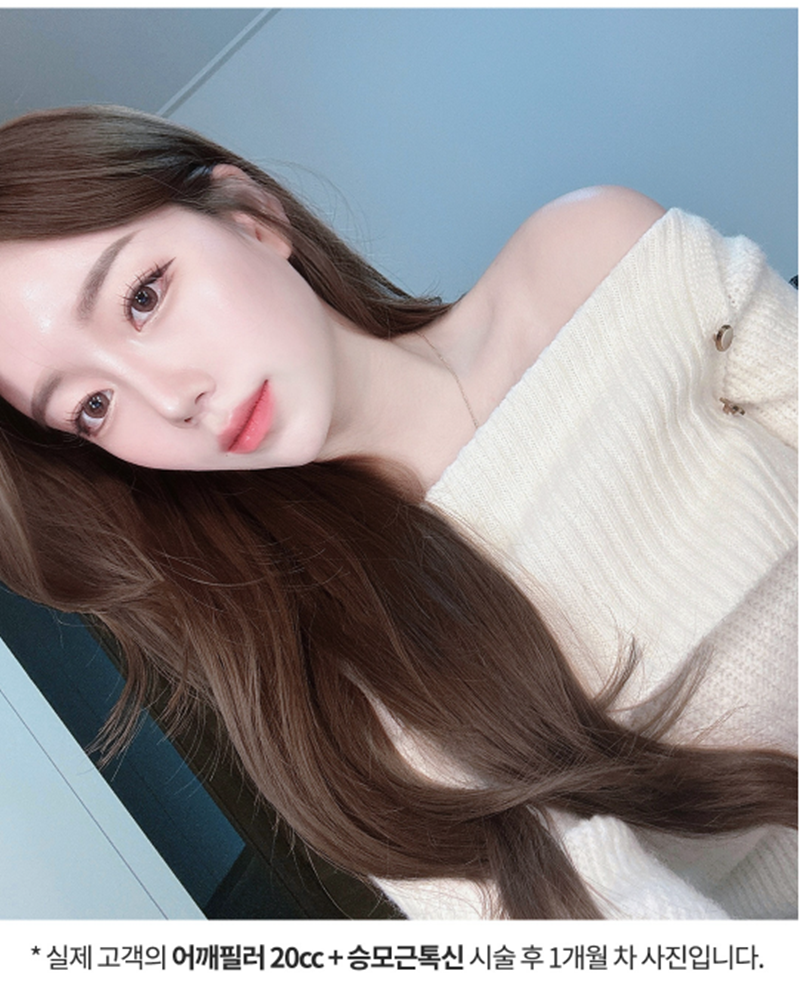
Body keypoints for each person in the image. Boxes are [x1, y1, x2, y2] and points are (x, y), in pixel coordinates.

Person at [0, 105, 795, 920]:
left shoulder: (600, 264)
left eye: (142, 297)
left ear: (250, 218)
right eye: (93, 406)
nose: (171, 399)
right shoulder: (317, 682)